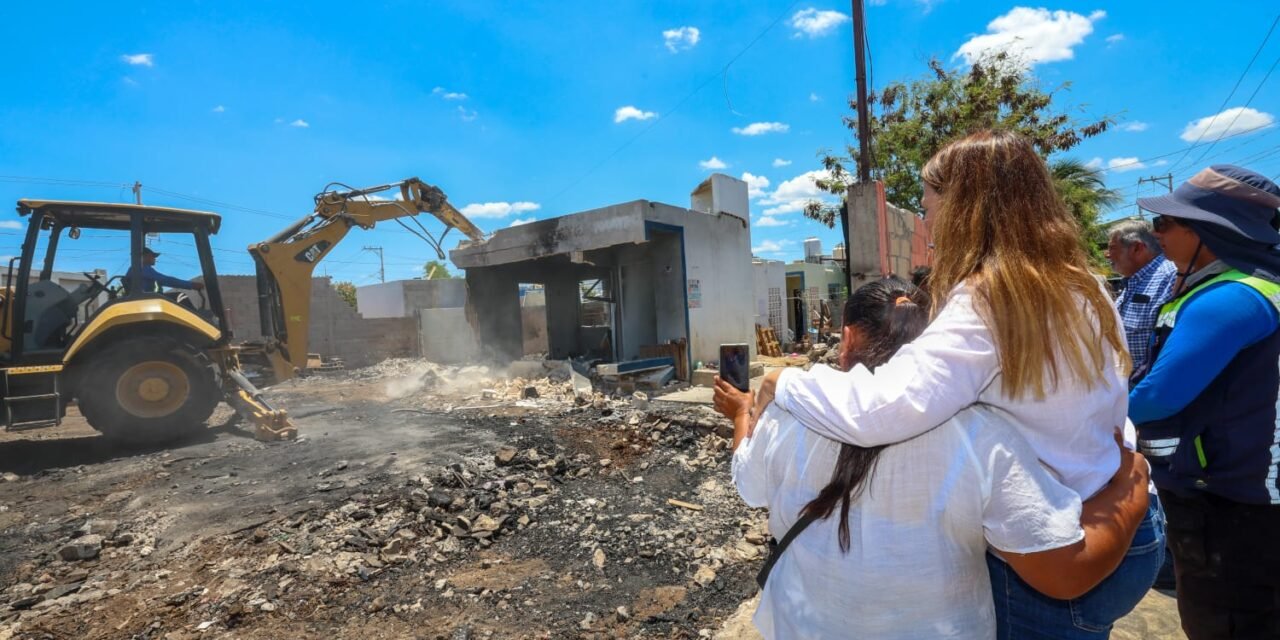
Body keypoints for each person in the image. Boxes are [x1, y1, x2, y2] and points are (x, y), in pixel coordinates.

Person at [752, 130, 1161, 636]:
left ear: (966, 206)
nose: (928, 222)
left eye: (930, 205)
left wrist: (784, 382)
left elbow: (880, 409)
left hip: (1058, 552)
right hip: (1120, 523)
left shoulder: (989, 299)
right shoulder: (1083, 284)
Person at [715, 277, 1156, 639]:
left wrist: (741, 413)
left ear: (847, 336)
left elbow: (749, 484)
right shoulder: (981, 434)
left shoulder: (787, 414)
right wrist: (1128, 489)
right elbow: (1063, 572)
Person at [1129, 165, 1280, 639]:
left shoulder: (1230, 298)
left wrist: (1091, 412)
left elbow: (1157, 396)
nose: (1158, 237)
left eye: (1166, 224)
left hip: (1229, 499)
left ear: (1207, 230)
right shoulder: (1257, 284)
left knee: (1226, 622)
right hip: (1248, 491)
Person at [1106, 219, 1178, 375]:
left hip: (1144, 386)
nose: (1107, 255)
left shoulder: (1169, 277)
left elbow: (1169, 344)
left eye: (1112, 248)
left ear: (1137, 248)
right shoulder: (1133, 281)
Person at [127, 247, 205, 294]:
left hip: (146, 298)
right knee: (180, 297)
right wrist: (191, 285)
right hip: (147, 300)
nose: (154, 258)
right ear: (144, 256)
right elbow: (166, 280)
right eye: (152, 256)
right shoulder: (142, 269)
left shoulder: (135, 269)